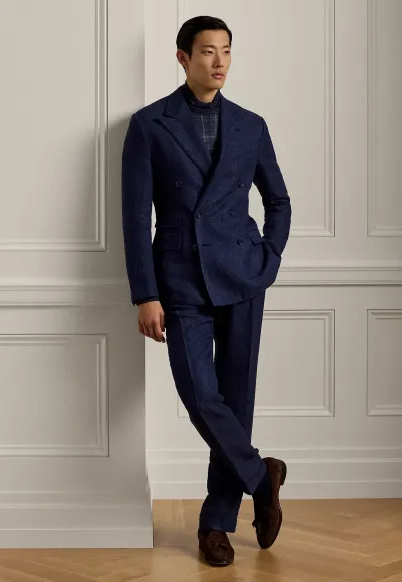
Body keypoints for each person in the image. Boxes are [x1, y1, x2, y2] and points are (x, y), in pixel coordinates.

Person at [121, 15, 291, 567]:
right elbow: (134, 218)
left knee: (236, 402)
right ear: (183, 58)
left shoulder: (250, 125)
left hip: (242, 276)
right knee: (200, 394)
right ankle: (261, 475)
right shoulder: (150, 125)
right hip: (180, 279)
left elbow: (278, 200)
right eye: (207, 52)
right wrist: (145, 294)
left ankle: (216, 524)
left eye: (226, 51)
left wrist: (268, 259)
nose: (219, 62)